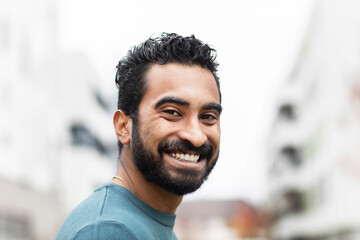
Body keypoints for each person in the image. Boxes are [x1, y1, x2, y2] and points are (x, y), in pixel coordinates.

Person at [56, 32, 222, 240]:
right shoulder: (109, 231)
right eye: (172, 112)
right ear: (124, 126)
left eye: (208, 116)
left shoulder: (147, 224)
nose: (196, 136)